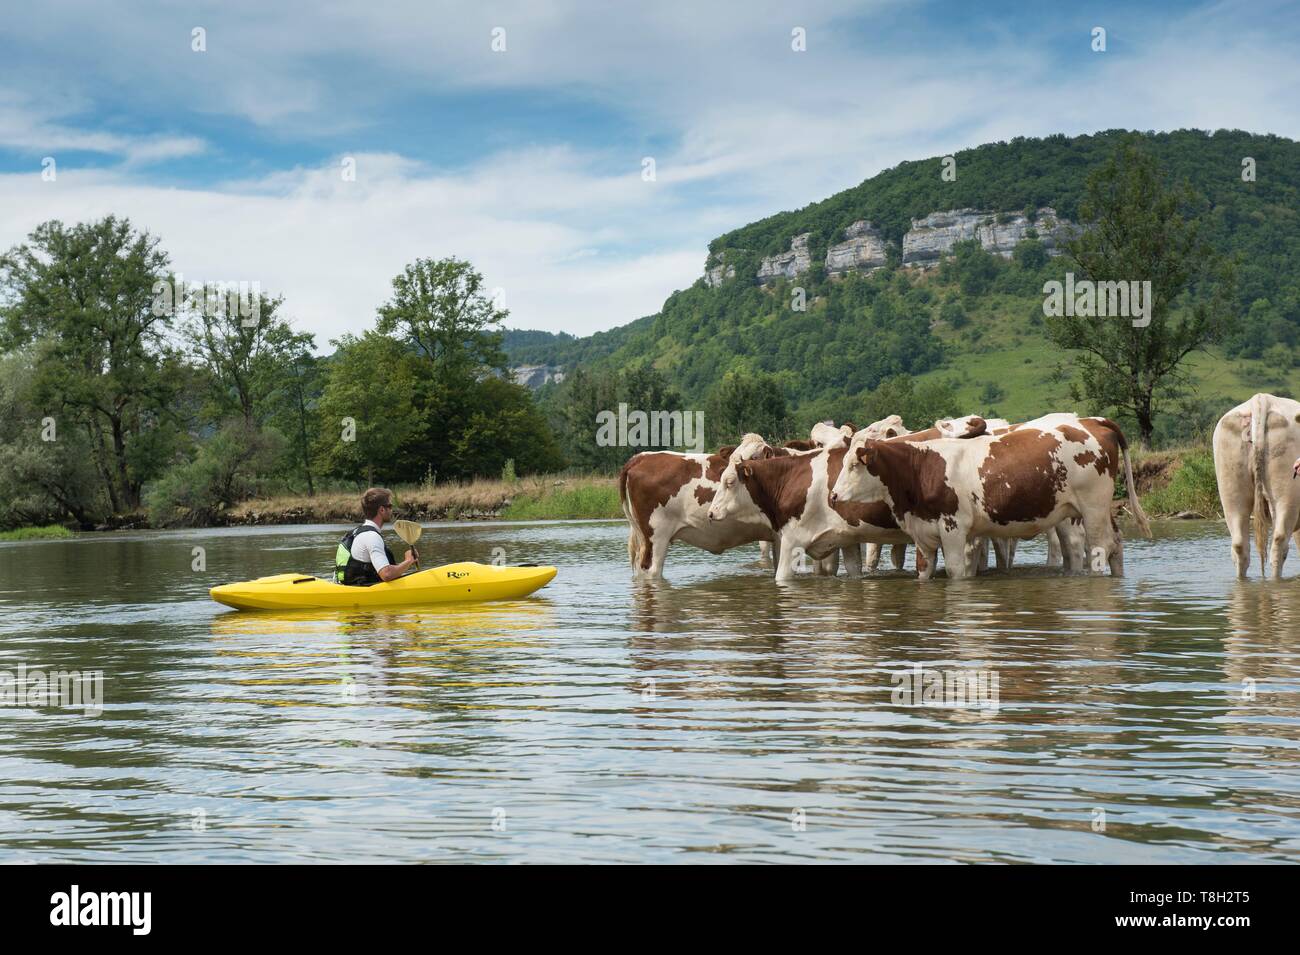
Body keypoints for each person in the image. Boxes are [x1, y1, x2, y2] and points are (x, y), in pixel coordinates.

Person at [334, 487, 419, 585]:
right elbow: (386, 574)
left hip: (358, 586)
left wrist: (404, 564)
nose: (392, 510)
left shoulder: (359, 531)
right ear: (382, 510)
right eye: (390, 506)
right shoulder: (372, 537)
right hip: (365, 592)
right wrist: (408, 561)